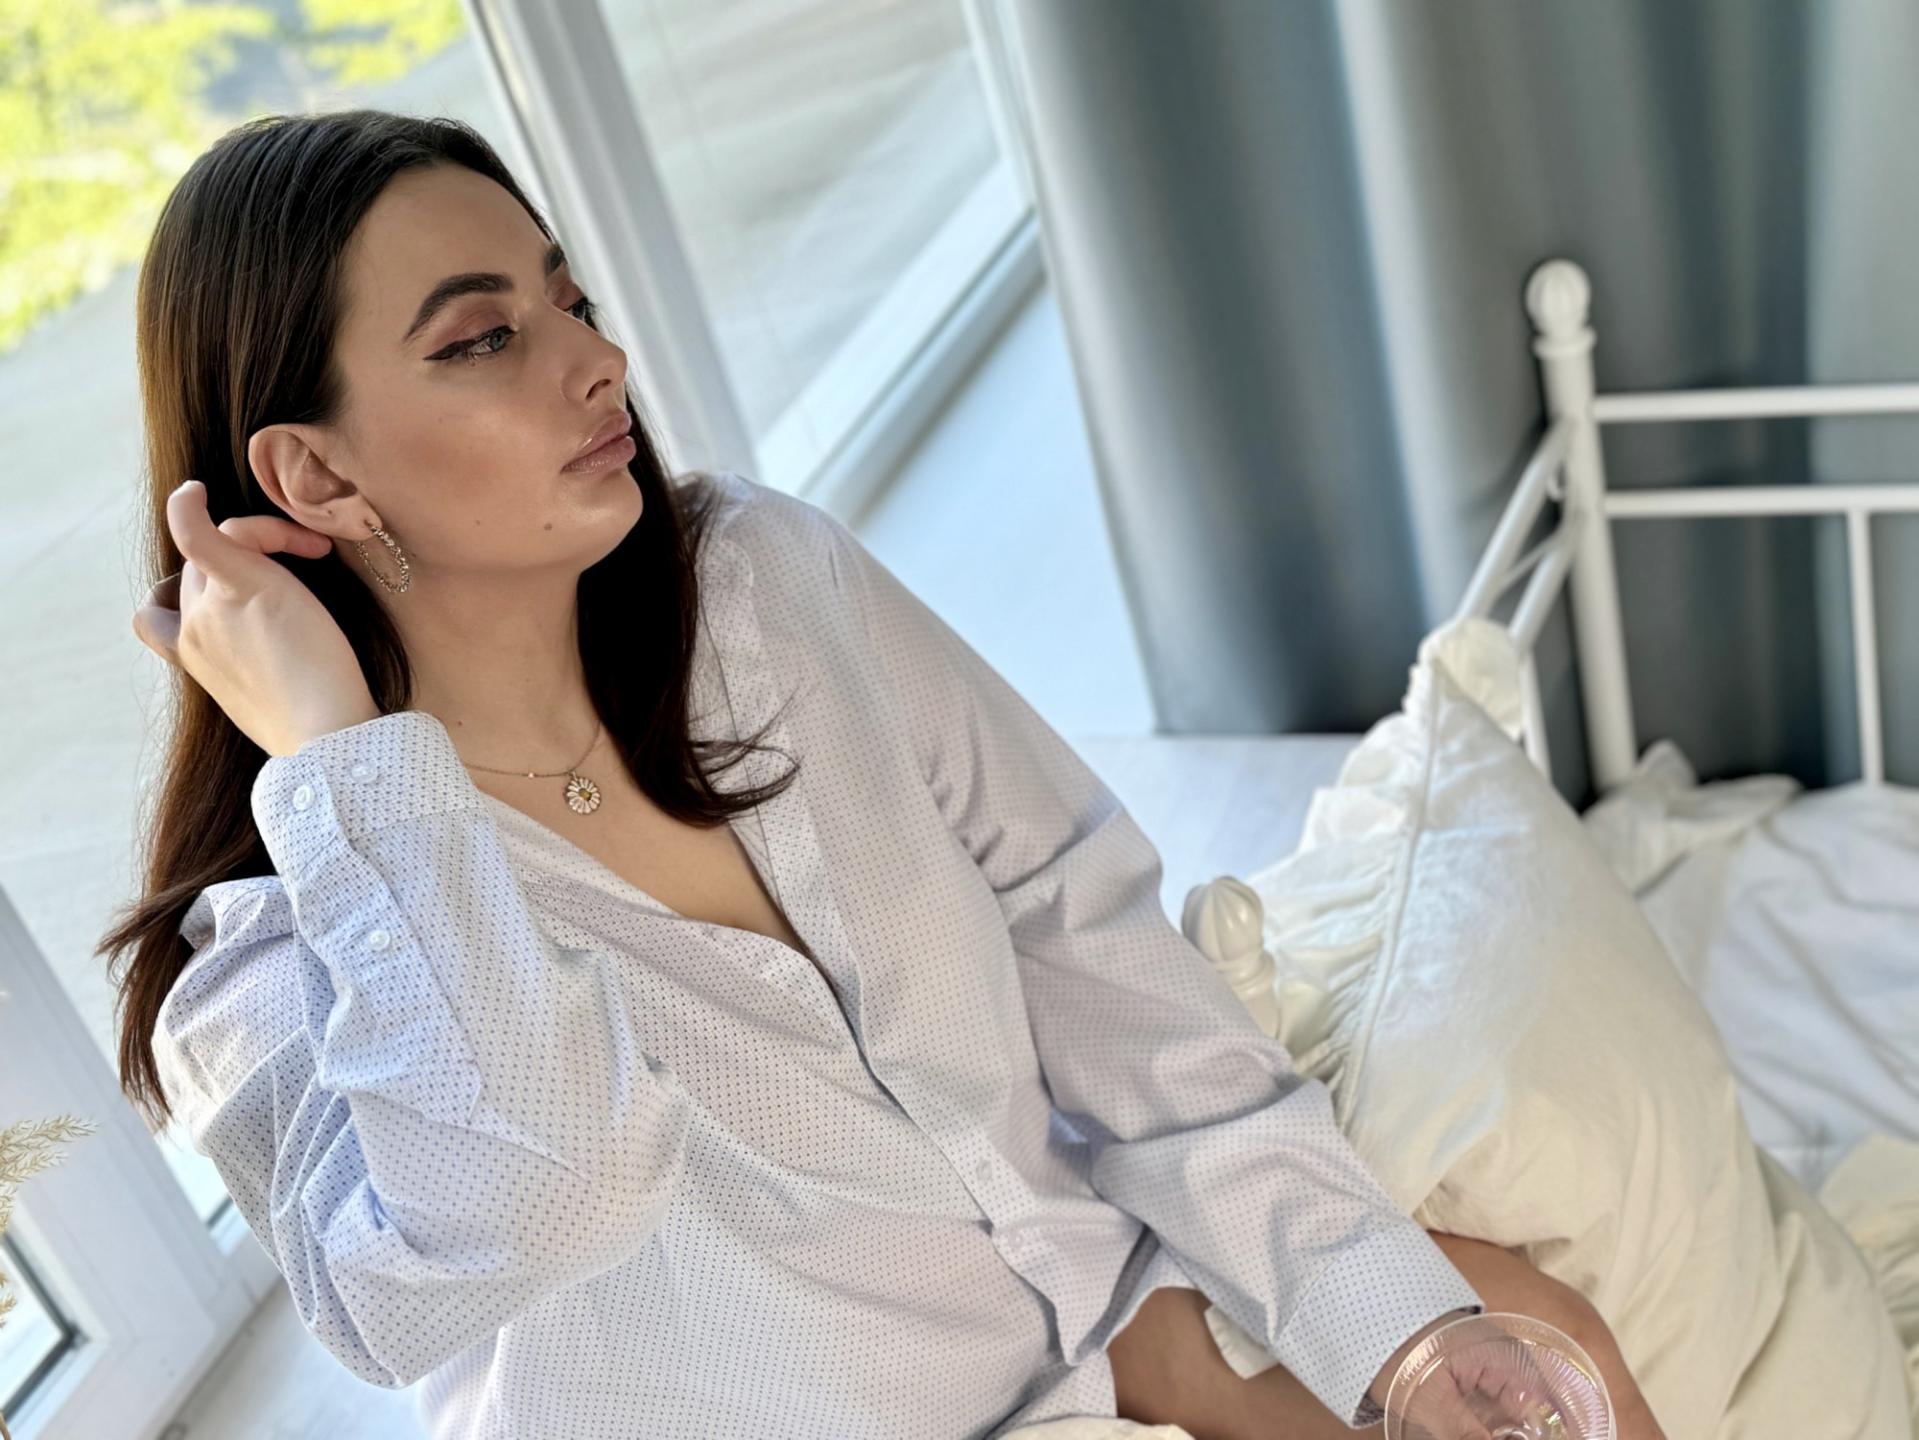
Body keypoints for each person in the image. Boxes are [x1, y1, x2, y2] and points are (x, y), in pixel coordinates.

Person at [109, 110, 1663, 1440]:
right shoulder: (257, 988)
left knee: (1534, 1356)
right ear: (317, 474)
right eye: (484, 340)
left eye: (568, 298)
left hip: (1093, 1306)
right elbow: (550, 1195)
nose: (599, 361)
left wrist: (1390, 1327)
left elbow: (1087, 940)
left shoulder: (757, 584)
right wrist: (354, 775)